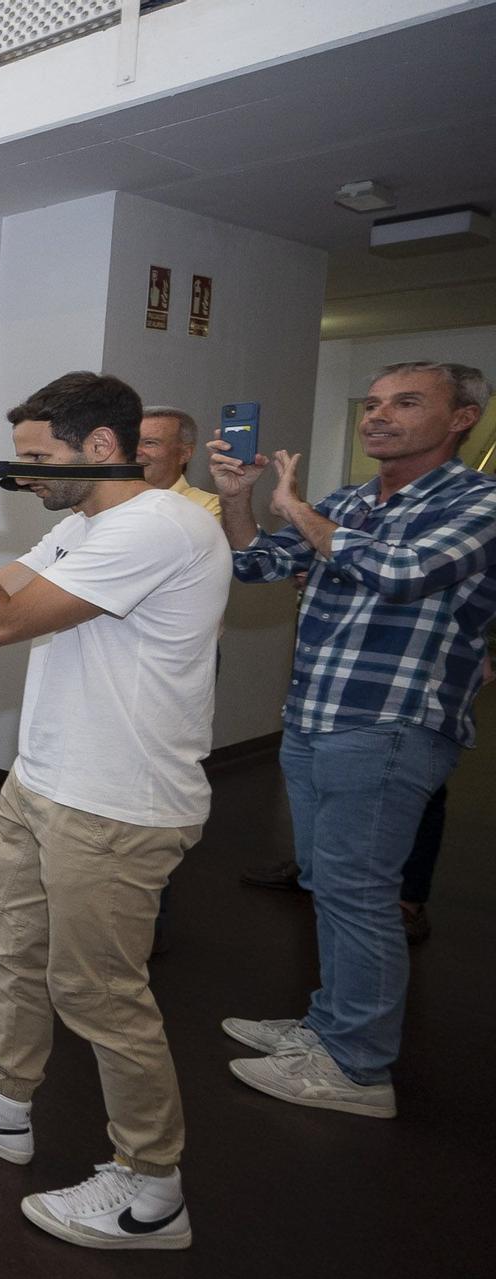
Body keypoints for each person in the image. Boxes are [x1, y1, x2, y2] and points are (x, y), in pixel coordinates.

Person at [0, 371, 230, 1252]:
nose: (22, 472)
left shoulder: (157, 525)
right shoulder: (85, 524)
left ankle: (153, 1194)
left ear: (102, 448)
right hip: (48, 784)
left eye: (38, 457)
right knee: (10, 942)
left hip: (118, 804)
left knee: (103, 995)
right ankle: (2, 1103)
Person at [211, 360, 493, 1120]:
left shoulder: (480, 500)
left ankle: (359, 1070)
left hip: (390, 723)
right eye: (372, 404)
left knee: (361, 895)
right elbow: (258, 563)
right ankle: (330, 1028)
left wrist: (297, 508)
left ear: (462, 417)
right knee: (326, 884)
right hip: (315, 717)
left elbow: (403, 573)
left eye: (405, 403)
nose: (378, 416)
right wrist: (241, 504)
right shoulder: (353, 499)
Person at [137, 407, 222, 517]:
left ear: (185, 454)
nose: (135, 451)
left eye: (149, 443)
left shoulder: (208, 508)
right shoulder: (112, 502)